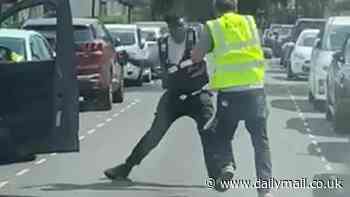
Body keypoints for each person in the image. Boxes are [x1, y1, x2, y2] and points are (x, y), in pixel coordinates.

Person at [104, 15, 217, 181]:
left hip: (198, 95)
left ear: (185, 26)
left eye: (181, 28)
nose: (178, 32)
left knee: (210, 134)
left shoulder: (198, 39)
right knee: (154, 135)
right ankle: (126, 167)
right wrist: (129, 58)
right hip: (173, 97)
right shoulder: (163, 44)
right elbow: (148, 60)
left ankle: (217, 174)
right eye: (174, 29)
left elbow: (215, 53)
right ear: (169, 29)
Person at [191, 0, 273, 197]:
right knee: (260, 141)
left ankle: (227, 165)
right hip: (255, 89)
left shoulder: (214, 27)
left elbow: (196, 55)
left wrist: (201, 55)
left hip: (230, 93)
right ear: (236, 7)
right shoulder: (250, 22)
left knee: (221, 134)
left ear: (215, 9)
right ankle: (265, 191)